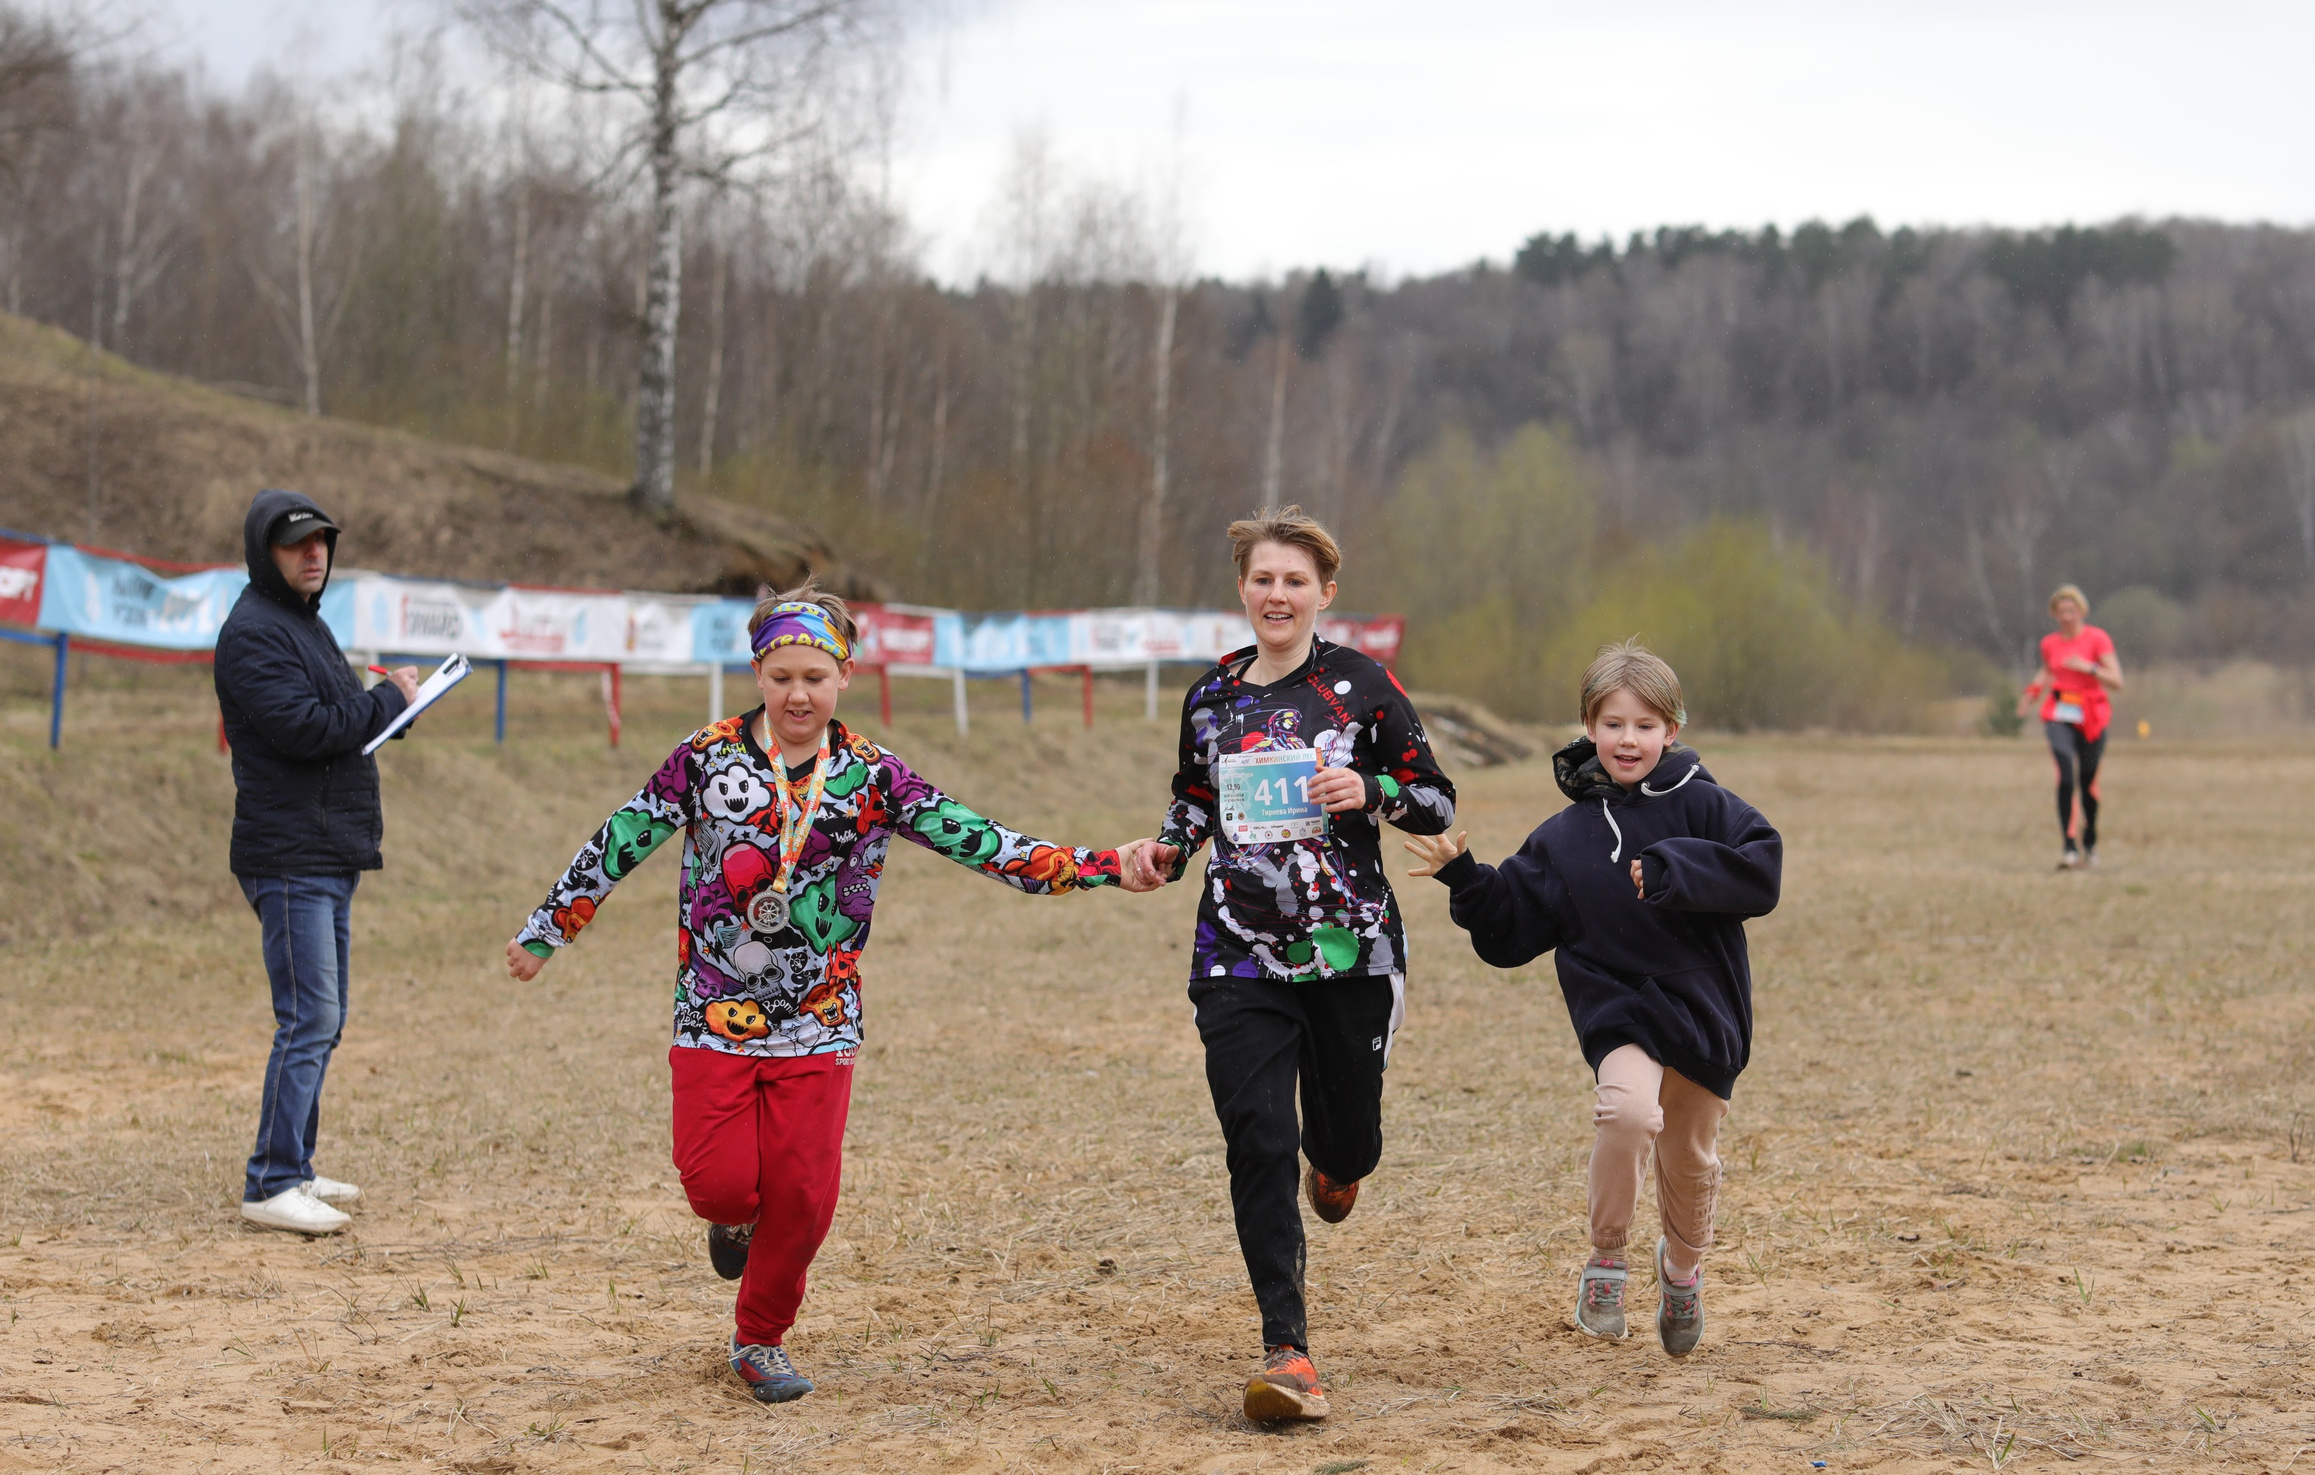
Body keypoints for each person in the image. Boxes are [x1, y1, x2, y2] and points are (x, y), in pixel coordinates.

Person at [505, 586, 1164, 1405]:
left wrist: (1105, 864)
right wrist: (549, 928)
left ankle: (759, 1337)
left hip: (821, 1021)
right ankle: (733, 1220)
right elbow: (622, 836)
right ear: (756, 671)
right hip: (712, 1011)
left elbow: (986, 842)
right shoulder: (703, 760)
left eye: (815, 675)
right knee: (719, 1184)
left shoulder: (873, 777)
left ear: (845, 675)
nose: (797, 694)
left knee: (807, 1198)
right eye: (781, 676)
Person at [1127, 506, 1455, 1425]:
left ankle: (1341, 1161)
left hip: (1349, 953)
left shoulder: (1362, 688)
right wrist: (1166, 850)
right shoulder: (1212, 697)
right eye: (1263, 578)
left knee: (1343, 1139)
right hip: (1237, 952)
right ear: (1243, 587)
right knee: (1257, 1138)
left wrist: (1373, 788)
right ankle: (1287, 1348)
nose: (1278, 594)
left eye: (1296, 581)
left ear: (1325, 594)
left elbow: (1435, 800)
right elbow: (1194, 799)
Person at [1404, 641, 1780, 1358]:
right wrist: (1467, 878)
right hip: (1619, 1010)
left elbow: (1761, 868)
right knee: (1628, 1110)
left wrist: (1674, 867)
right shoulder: (1565, 836)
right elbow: (1514, 925)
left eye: (1645, 725)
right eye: (1613, 724)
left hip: (1705, 1012)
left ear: (1672, 730)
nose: (1628, 739)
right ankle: (1607, 1259)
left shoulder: (1708, 804)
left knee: (1690, 1155)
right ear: (1587, 726)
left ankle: (1682, 1269)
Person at [214, 490, 419, 1236]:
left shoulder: (302, 622)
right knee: (309, 1017)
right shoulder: (252, 633)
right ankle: (269, 1182)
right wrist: (382, 701)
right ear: (261, 553)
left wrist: (387, 709)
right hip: (288, 852)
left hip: (324, 848)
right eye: (296, 543)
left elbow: (340, 725)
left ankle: (293, 1167)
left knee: (320, 1020)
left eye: (323, 541)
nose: (313, 554)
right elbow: (306, 729)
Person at [2015, 584, 2122, 870]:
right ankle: (2069, 847)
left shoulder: (2097, 639)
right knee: (2065, 775)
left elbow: (2117, 681)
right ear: (2054, 615)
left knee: (2087, 782)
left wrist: (2088, 668)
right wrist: (2030, 695)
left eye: (2071, 611)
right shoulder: (2050, 643)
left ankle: (2091, 842)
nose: (2066, 616)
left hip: (2091, 715)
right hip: (2060, 714)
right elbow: (2047, 670)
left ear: (2081, 611)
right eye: (2061, 612)